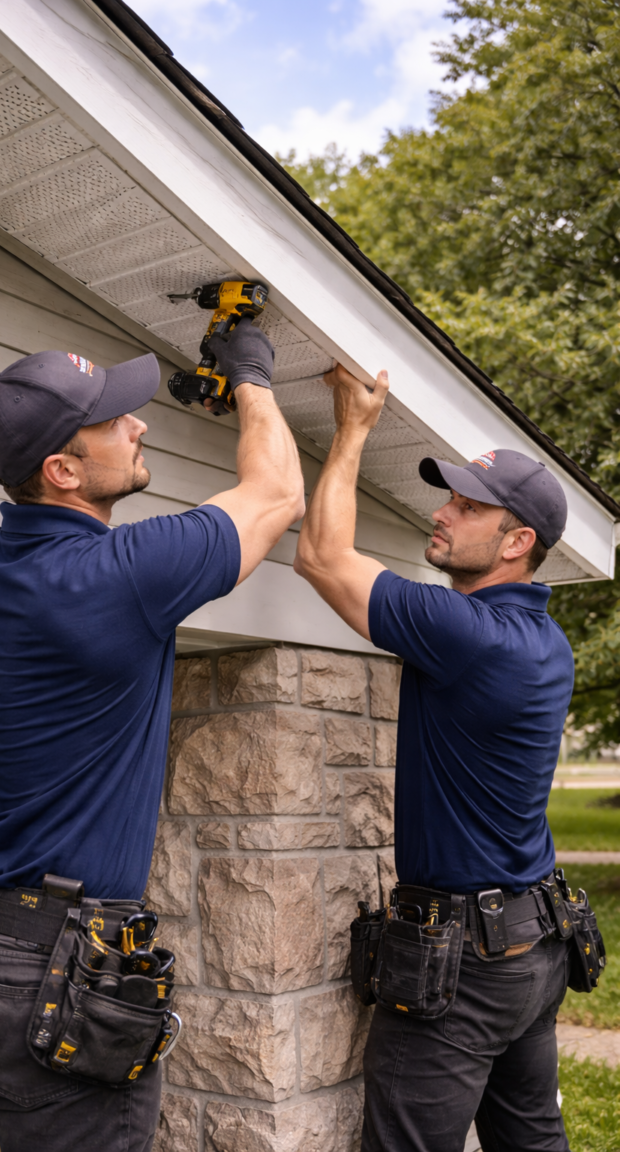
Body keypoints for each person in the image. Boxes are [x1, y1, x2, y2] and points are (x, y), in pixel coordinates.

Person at [0, 321, 305, 1152]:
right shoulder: (122, 574)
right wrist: (251, 372)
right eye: (116, 421)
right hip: (50, 975)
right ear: (61, 471)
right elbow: (276, 495)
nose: (139, 424)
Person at [294, 362, 574, 1152]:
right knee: (534, 1140)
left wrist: (352, 426)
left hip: (467, 971)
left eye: (468, 505)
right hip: (530, 946)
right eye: (448, 495)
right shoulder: (545, 641)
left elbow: (321, 556)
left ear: (518, 541)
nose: (443, 513)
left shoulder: (468, 634)